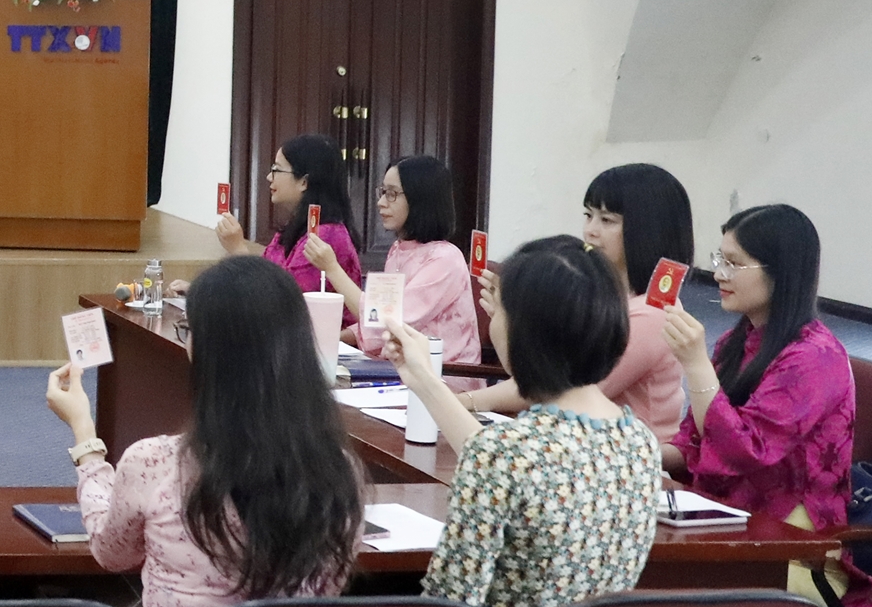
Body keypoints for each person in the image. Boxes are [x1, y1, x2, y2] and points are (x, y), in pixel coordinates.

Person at [50, 255, 363, 607]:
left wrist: (86, 442)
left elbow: (111, 552)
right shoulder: (339, 474)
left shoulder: (155, 462)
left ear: (206, 349)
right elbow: (329, 586)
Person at [393, 236, 663, 607]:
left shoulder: (506, 453)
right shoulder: (640, 443)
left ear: (525, 334)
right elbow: (514, 463)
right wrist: (426, 381)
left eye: (499, 311)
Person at [662, 204, 871, 607]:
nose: (718, 274)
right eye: (719, 259)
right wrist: (634, 451)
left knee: (658, 601)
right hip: (733, 517)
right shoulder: (737, 341)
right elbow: (695, 440)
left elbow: (745, 451)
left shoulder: (813, 357)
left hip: (792, 546)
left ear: (781, 272)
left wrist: (696, 365)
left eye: (734, 263)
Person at [468, 163, 696, 432]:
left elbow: (560, 389)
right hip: (577, 436)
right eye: (588, 215)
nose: (590, 230)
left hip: (623, 450)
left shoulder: (653, 313)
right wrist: (512, 315)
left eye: (607, 220)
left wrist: (463, 401)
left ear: (648, 230)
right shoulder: (603, 293)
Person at [304, 156, 480, 366]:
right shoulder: (397, 250)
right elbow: (380, 321)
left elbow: (385, 321)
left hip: (443, 376)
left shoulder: (444, 259)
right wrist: (332, 339)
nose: (381, 202)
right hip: (400, 368)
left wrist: (332, 269)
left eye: (392, 194)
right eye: (383, 192)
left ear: (420, 198)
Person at [216, 133, 361, 299]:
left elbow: (281, 301)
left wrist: (238, 249)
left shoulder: (324, 236)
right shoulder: (290, 231)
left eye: (276, 170)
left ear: (304, 182)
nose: (269, 177)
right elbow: (267, 277)